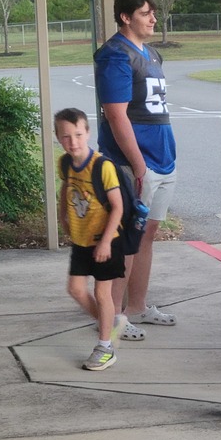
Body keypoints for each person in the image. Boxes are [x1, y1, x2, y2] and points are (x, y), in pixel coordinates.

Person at [94, 0, 177, 341]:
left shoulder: (152, 54)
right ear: (126, 17)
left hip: (162, 159)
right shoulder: (116, 55)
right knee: (126, 239)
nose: (154, 18)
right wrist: (138, 166)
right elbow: (116, 115)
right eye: (146, 13)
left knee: (146, 237)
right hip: (132, 164)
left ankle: (137, 307)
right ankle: (113, 317)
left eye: (153, 12)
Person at [55, 107, 128, 371]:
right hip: (82, 239)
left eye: (78, 134)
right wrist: (63, 215)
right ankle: (111, 323)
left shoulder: (102, 166)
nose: (72, 141)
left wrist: (106, 242)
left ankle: (105, 347)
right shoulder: (64, 162)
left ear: (87, 133)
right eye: (65, 136)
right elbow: (66, 186)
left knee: (101, 292)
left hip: (107, 239)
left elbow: (117, 207)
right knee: (75, 289)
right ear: (57, 137)